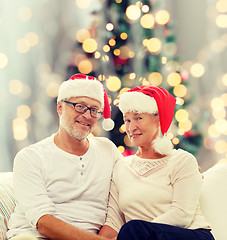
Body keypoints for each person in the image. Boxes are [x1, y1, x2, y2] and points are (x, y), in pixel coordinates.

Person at [7, 74, 123, 240]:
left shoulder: (108, 150)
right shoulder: (30, 157)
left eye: (94, 110)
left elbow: (117, 208)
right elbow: (43, 222)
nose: (88, 115)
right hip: (35, 236)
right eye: (80, 106)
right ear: (60, 107)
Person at [98, 85, 215, 240]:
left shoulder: (182, 161)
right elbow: (113, 223)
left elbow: (181, 215)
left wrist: (137, 234)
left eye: (139, 118)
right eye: (127, 120)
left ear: (158, 119)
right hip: (137, 235)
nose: (131, 127)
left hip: (191, 235)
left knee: (134, 228)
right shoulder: (121, 167)